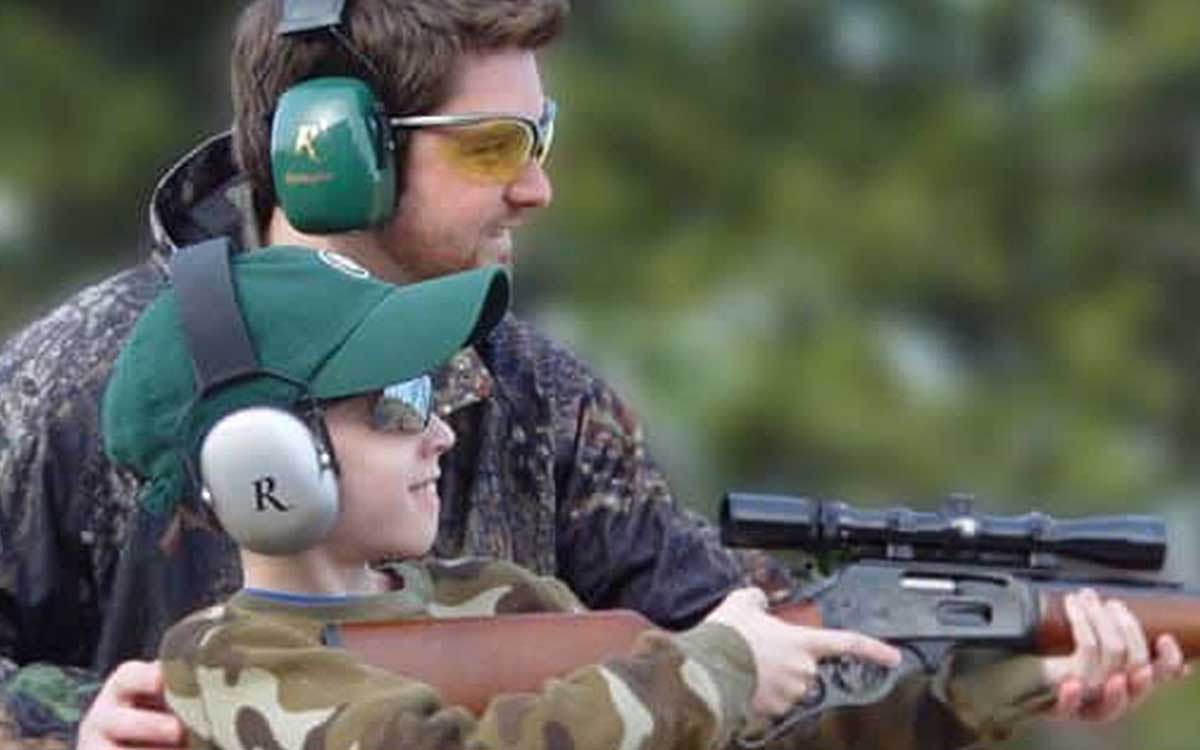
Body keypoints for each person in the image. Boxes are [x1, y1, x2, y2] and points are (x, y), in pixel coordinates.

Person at [0, 0, 1186, 747]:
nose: (537, 186)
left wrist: (996, 677)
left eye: (541, 136)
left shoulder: (539, 398)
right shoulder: (75, 381)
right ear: (332, 159)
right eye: (491, 146)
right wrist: (53, 726)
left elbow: (732, 661)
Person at [98, 241, 905, 750]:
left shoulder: (497, 597)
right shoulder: (225, 665)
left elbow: (743, 728)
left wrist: (965, 684)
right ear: (263, 467)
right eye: (398, 404)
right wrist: (718, 667)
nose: (442, 432)